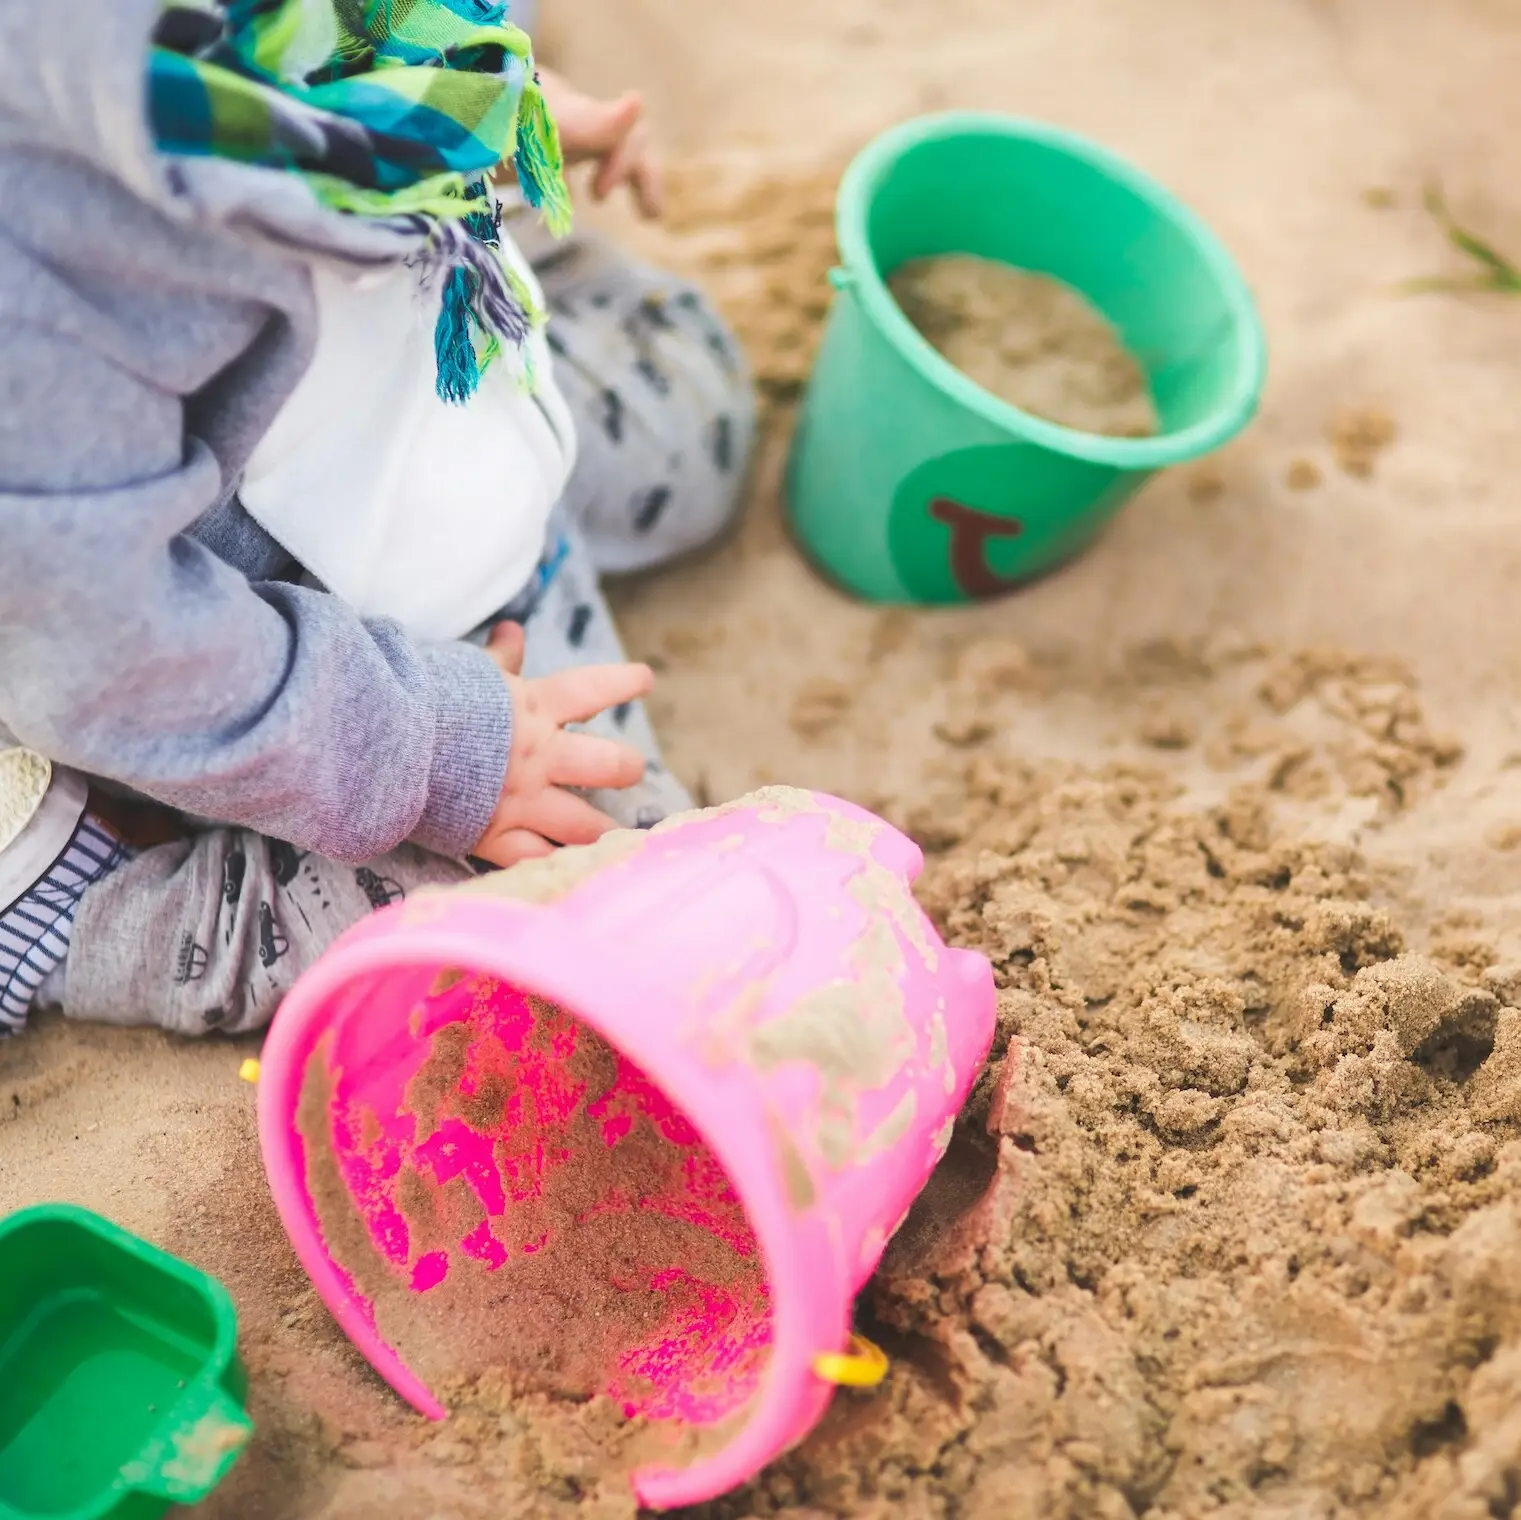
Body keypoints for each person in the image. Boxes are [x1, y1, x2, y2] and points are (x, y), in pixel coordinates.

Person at [0, 0, 754, 1037]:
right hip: (310, 651)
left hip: (430, 394)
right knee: (612, 909)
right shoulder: (41, 262)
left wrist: (489, 109)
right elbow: (101, 645)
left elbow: (371, 42)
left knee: (703, 423)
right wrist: (441, 750)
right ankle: (77, 886)